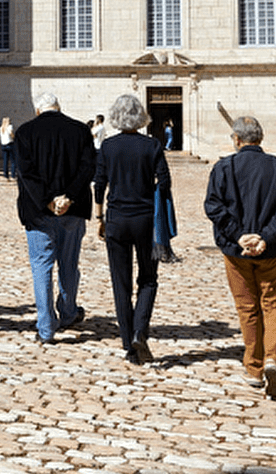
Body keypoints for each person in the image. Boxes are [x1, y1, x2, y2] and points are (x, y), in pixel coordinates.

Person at [204, 115, 276, 401]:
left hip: (237, 252)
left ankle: (255, 369)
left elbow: (213, 206)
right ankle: (273, 360)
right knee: (275, 305)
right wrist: (264, 237)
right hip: (273, 250)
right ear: (261, 138)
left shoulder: (223, 168)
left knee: (247, 307)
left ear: (236, 139)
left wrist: (239, 236)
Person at [92, 94, 171, 365]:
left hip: (116, 218)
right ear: (141, 117)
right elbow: (165, 181)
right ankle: (140, 331)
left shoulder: (108, 146)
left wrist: (99, 217)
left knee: (121, 282)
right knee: (148, 279)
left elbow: (99, 184)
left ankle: (128, 343)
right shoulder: (152, 145)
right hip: (146, 219)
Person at [14, 92, 96, 343]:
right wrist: (68, 197)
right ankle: (69, 311)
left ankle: (46, 326)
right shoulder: (80, 130)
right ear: (59, 108)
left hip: (38, 210)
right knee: (69, 264)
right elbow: (88, 167)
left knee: (41, 266)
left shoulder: (25, 132)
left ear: (38, 111)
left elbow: (26, 172)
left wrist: (47, 200)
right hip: (72, 209)